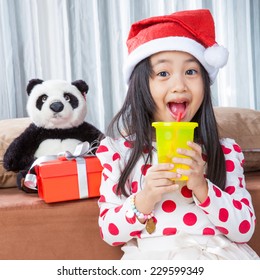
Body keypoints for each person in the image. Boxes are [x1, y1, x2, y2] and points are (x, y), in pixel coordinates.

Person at [96, 9, 259, 260]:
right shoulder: (119, 152)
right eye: (163, 73)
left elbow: (244, 229)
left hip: (217, 258)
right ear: (142, 87)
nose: (180, 85)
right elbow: (110, 232)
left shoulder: (224, 151)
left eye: (191, 72)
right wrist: (146, 196)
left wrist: (202, 187)